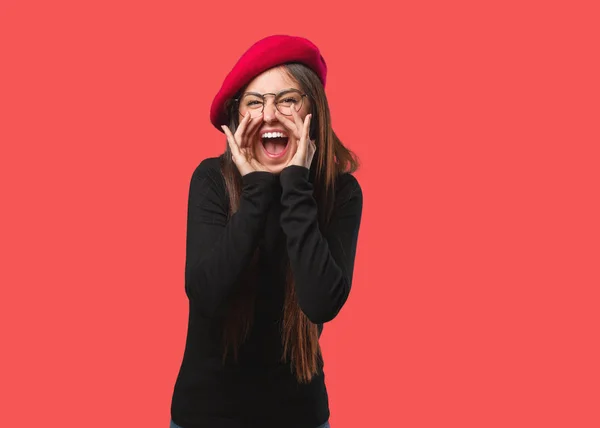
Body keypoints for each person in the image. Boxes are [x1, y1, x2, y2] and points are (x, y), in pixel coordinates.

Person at [169, 34, 363, 428]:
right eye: (255, 103)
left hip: (299, 417)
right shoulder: (211, 179)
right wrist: (256, 190)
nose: (270, 115)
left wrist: (296, 183)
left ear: (314, 111)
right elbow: (207, 294)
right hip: (206, 417)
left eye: (287, 100)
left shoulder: (340, 193)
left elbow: (322, 302)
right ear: (238, 119)